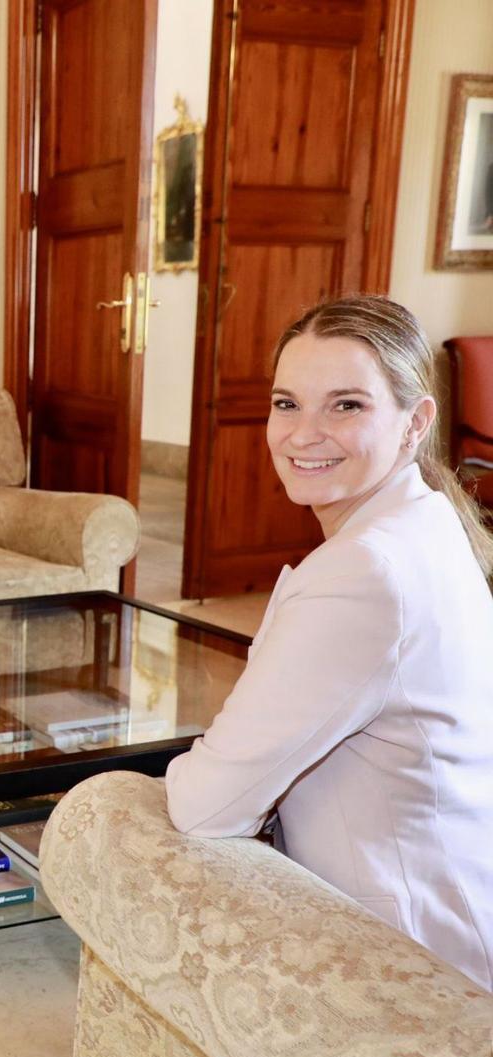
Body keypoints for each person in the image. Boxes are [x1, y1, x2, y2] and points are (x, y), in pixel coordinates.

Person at [166, 294, 493, 992]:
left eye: (346, 405)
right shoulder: (430, 521)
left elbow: (205, 807)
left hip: (403, 962)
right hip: (456, 908)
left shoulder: (365, 570)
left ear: (415, 421)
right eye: (287, 403)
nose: (303, 433)